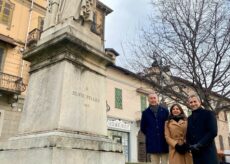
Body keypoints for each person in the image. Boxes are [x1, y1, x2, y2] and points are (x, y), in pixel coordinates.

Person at [186, 95, 219, 164]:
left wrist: (199, 144)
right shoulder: (189, 119)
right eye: (191, 102)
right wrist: (189, 145)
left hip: (208, 153)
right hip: (196, 154)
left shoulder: (208, 113)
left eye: (195, 101)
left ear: (200, 102)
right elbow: (188, 134)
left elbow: (213, 132)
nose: (193, 104)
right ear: (189, 104)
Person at [140, 93, 169, 164]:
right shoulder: (145, 113)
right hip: (152, 143)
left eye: (154, 98)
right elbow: (143, 127)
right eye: (151, 98)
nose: (153, 100)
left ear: (157, 99)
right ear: (148, 100)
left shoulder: (165, 111)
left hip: (164, 142)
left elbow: (168, 125)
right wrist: (150, 134)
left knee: (165, 162)